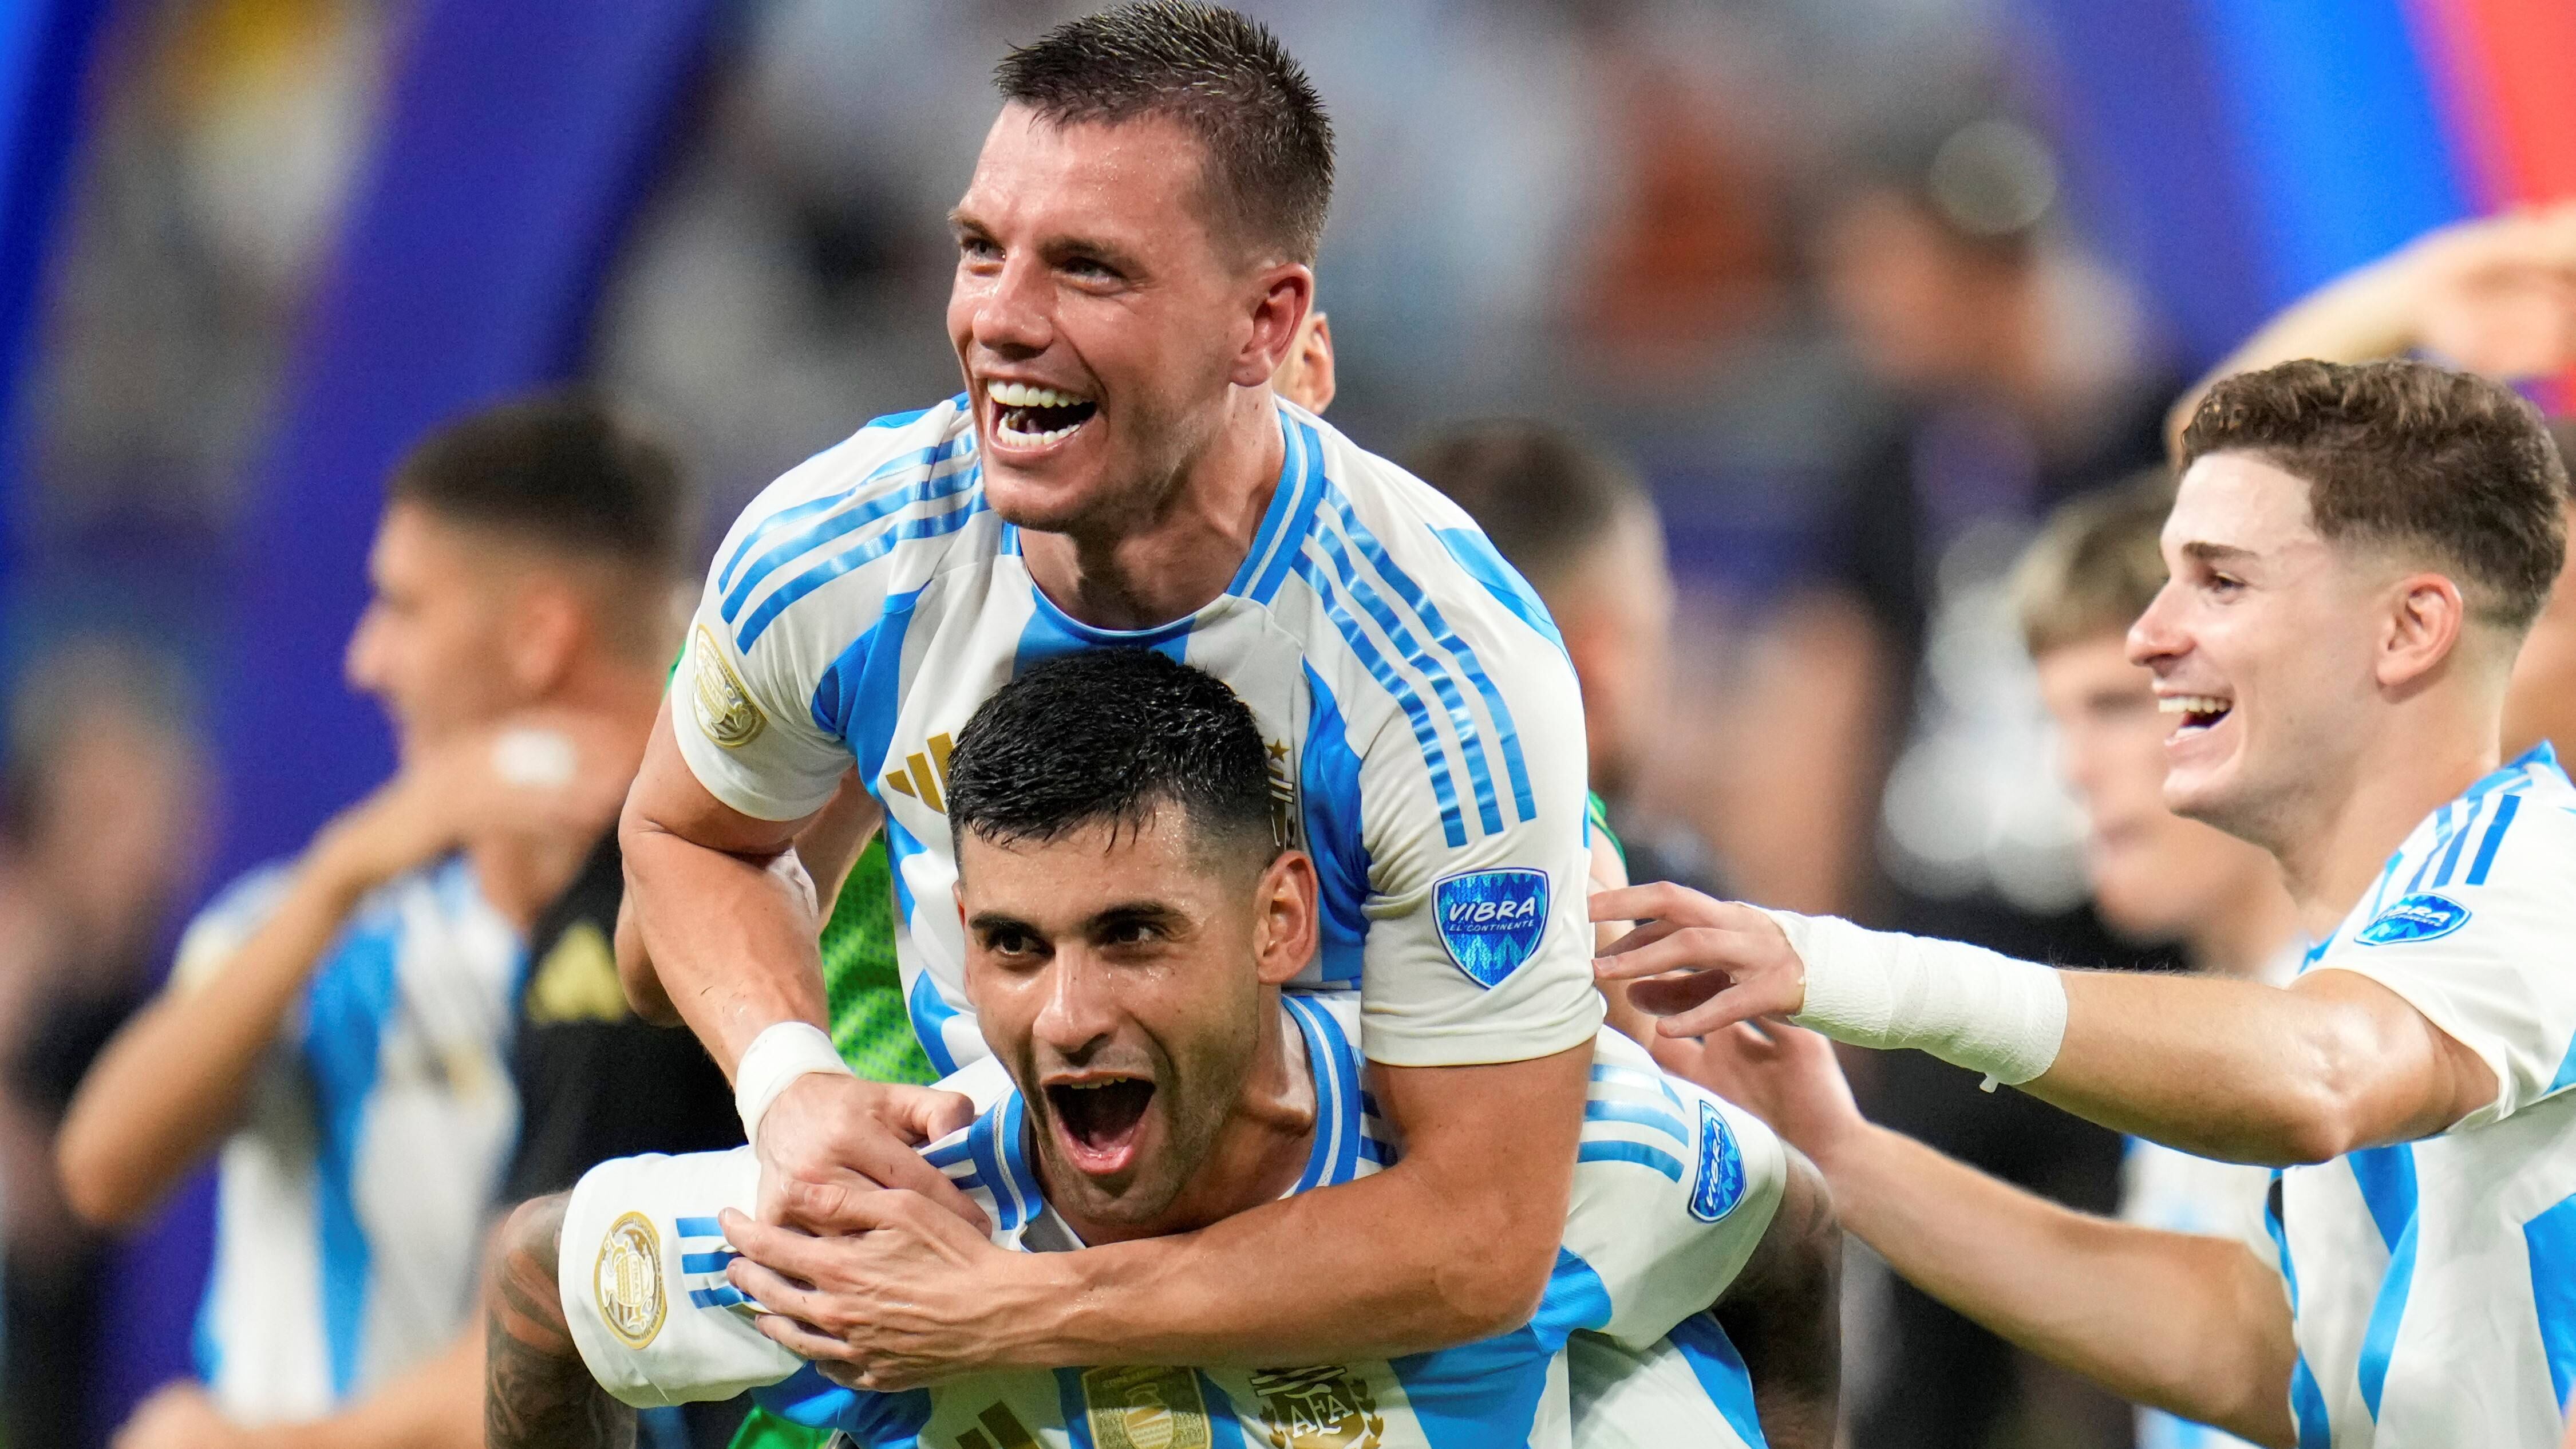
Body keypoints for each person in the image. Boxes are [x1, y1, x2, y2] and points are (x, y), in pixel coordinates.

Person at [617, 1, 1615, 1391]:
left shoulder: (1442, 665)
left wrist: (1014, 1316)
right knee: (547, 1280)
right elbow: (680, 843)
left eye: (1087, 269)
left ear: (1266, 322)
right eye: (981, 250)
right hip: (991, 1201)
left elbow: (1481, 1234)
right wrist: (790, 1080)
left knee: (1762, 1213)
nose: (999, 322)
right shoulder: (839, 548)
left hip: (1341, 1271)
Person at [493, 650, 1840, 1448]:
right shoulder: (894, 1222)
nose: (1068, 1016)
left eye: (1132, 935)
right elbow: (542, 1284)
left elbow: (1793, 1237)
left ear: (1278, 919)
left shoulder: (1551, 1156)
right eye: (1015, 947)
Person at [1601, 357, 2576, 1446]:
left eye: (2221, 581)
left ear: (2408, 630)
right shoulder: (2359, 949)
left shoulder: (2533, 874)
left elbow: (2324, 1072)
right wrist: (1846, 1153)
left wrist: (1860, 971)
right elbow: (2258, 1348)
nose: (2151, 633)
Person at [61, 396, 678, 1448]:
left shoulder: (662, 954)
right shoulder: (315, 929)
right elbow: (104, 1171)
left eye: (404, 608)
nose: (365, 659)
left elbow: (541, 1348)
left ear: (537, 637)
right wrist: (341, 875)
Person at [0, 641, 210, 1448]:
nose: (130, 847)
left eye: (143, 809)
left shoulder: (196, 987)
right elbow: (43, 1225)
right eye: (92, 814)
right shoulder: (49, 1011)